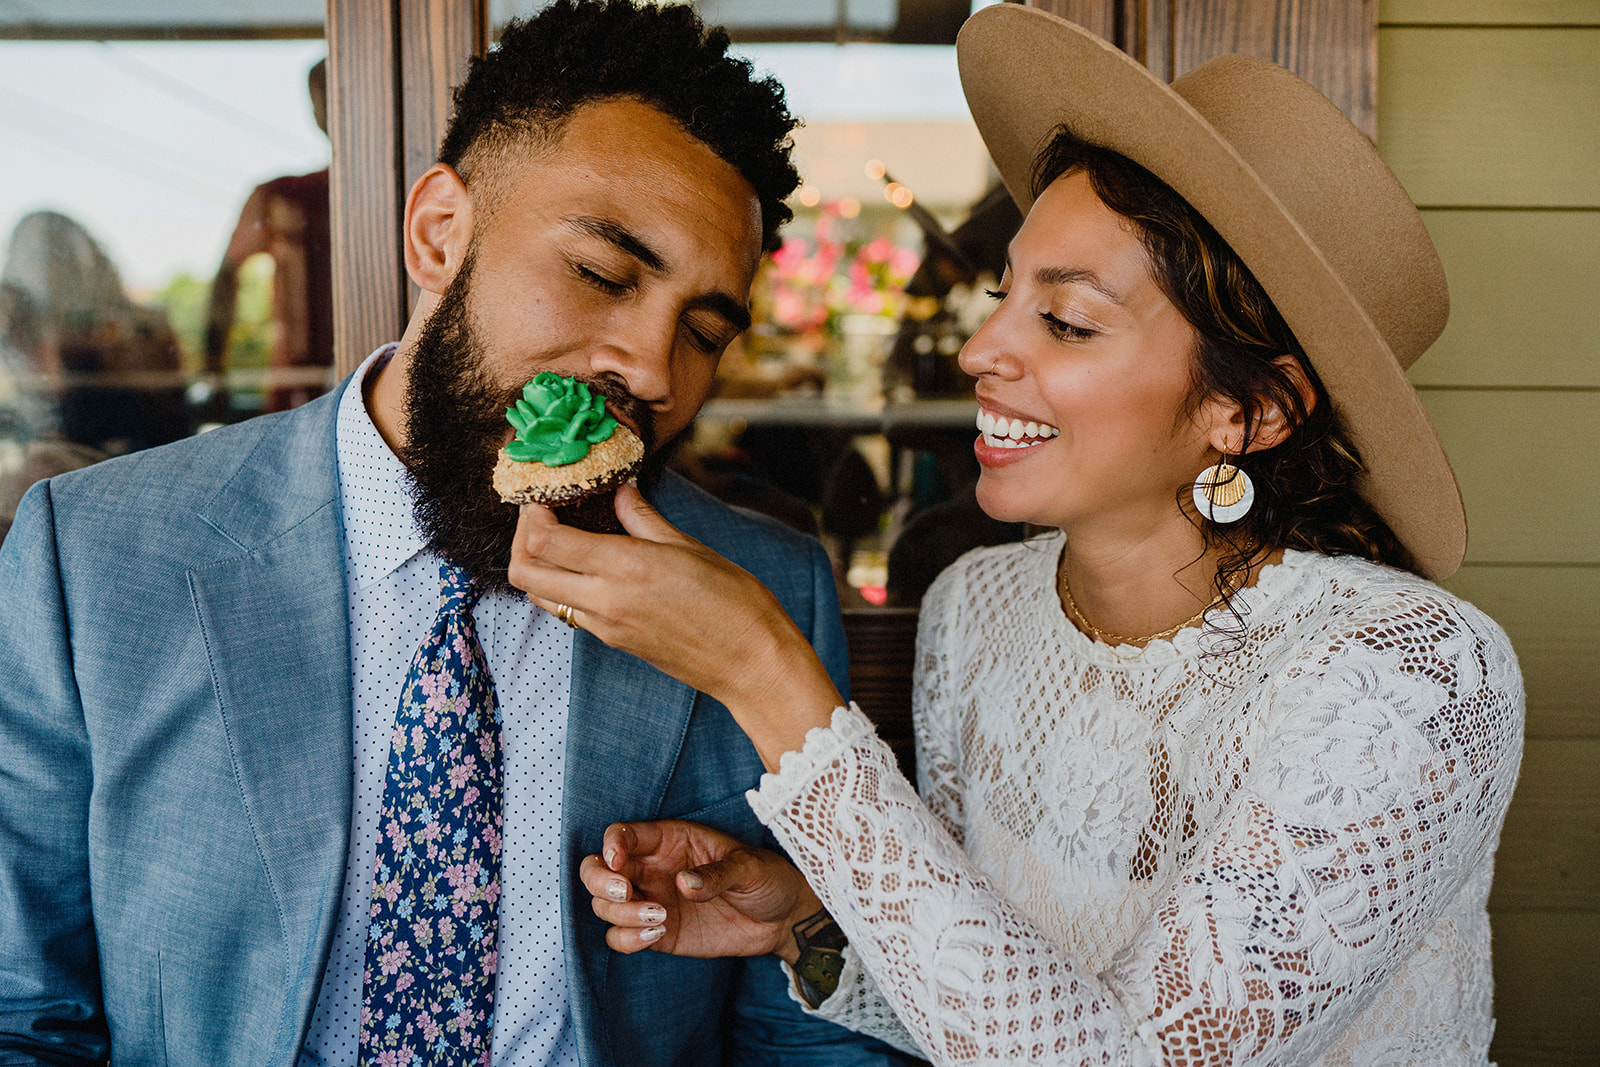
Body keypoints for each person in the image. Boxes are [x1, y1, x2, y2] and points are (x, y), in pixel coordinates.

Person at [515, 7, 1525, 1065]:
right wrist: (806, 921)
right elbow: (991, 1012)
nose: (984, 348)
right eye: (1004, 296)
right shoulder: (978, 607)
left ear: (1251, 412)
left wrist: (766, 678)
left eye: (1067, 320)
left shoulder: (1409, 675)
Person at [0, 3, 909, 1064]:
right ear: (440, 232)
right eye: (603, 275)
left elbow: (804, 1038)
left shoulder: (762, 585)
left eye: (703, 332)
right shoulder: (98, 555)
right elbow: (22, 1012)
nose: (655, 375)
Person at [204, 58, 335, 416]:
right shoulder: (280, 197)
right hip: (297, 389)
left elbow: (226, 279)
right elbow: (227, 278)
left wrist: (213, 371)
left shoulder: (407, 192)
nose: (326, 107)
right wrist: (213, 372)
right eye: (321, 96)